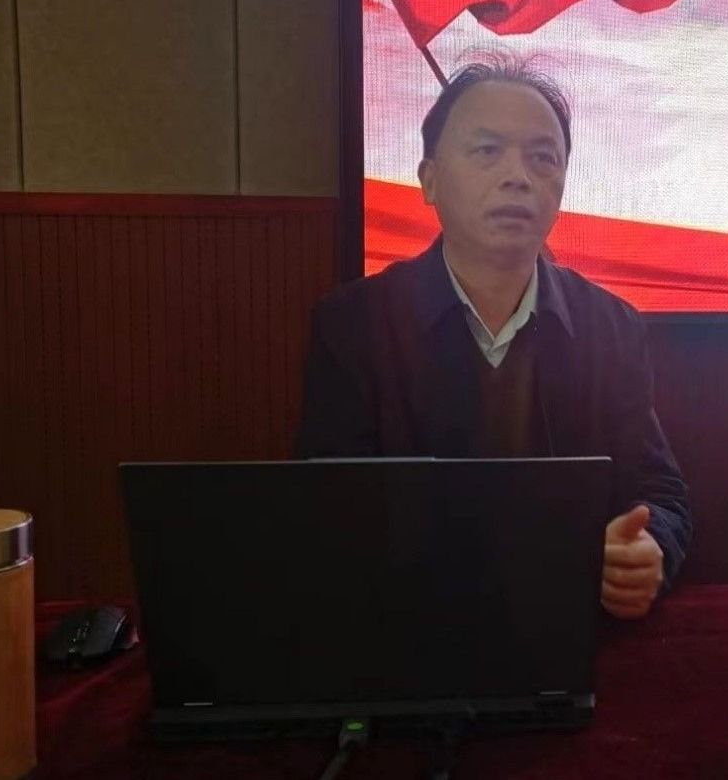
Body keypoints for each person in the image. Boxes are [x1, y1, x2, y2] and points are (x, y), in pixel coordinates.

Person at [295, 55, 691, 619]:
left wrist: (652, 549)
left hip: (569, 627)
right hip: (410, 629)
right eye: (486, 151)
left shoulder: (610, 327)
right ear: (429, 180)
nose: (517, 177)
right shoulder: (354, 326)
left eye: (543, 158)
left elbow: (662, 493)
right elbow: (328, 510)